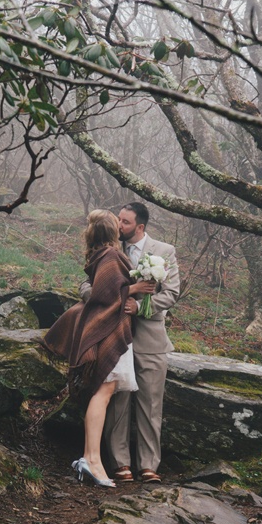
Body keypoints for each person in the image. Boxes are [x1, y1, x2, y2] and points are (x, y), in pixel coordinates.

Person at [43, 209, 155, 488]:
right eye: (117, 223)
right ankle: (90, 459)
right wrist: (135, 287)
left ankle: (91, 459)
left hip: (108, 328)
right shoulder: (112, 256)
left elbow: (102, 290)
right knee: (103, 393)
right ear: (112, 232)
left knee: (104, 392)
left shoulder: (98, 254)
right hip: (109, 330)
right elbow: (105, 295)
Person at [80, 202, 180, 484]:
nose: (118, 226)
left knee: (150, 403)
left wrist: (140, 308)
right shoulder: (110, 250)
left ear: (140, 227)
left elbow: (172, 293)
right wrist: (105, 300)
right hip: (114, 334)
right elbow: (85, 286)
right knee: (117, 401)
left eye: (124, 222)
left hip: (151, 338)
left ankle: (149, 466)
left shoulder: (164, 252)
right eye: (118, 220)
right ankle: (120, 463)